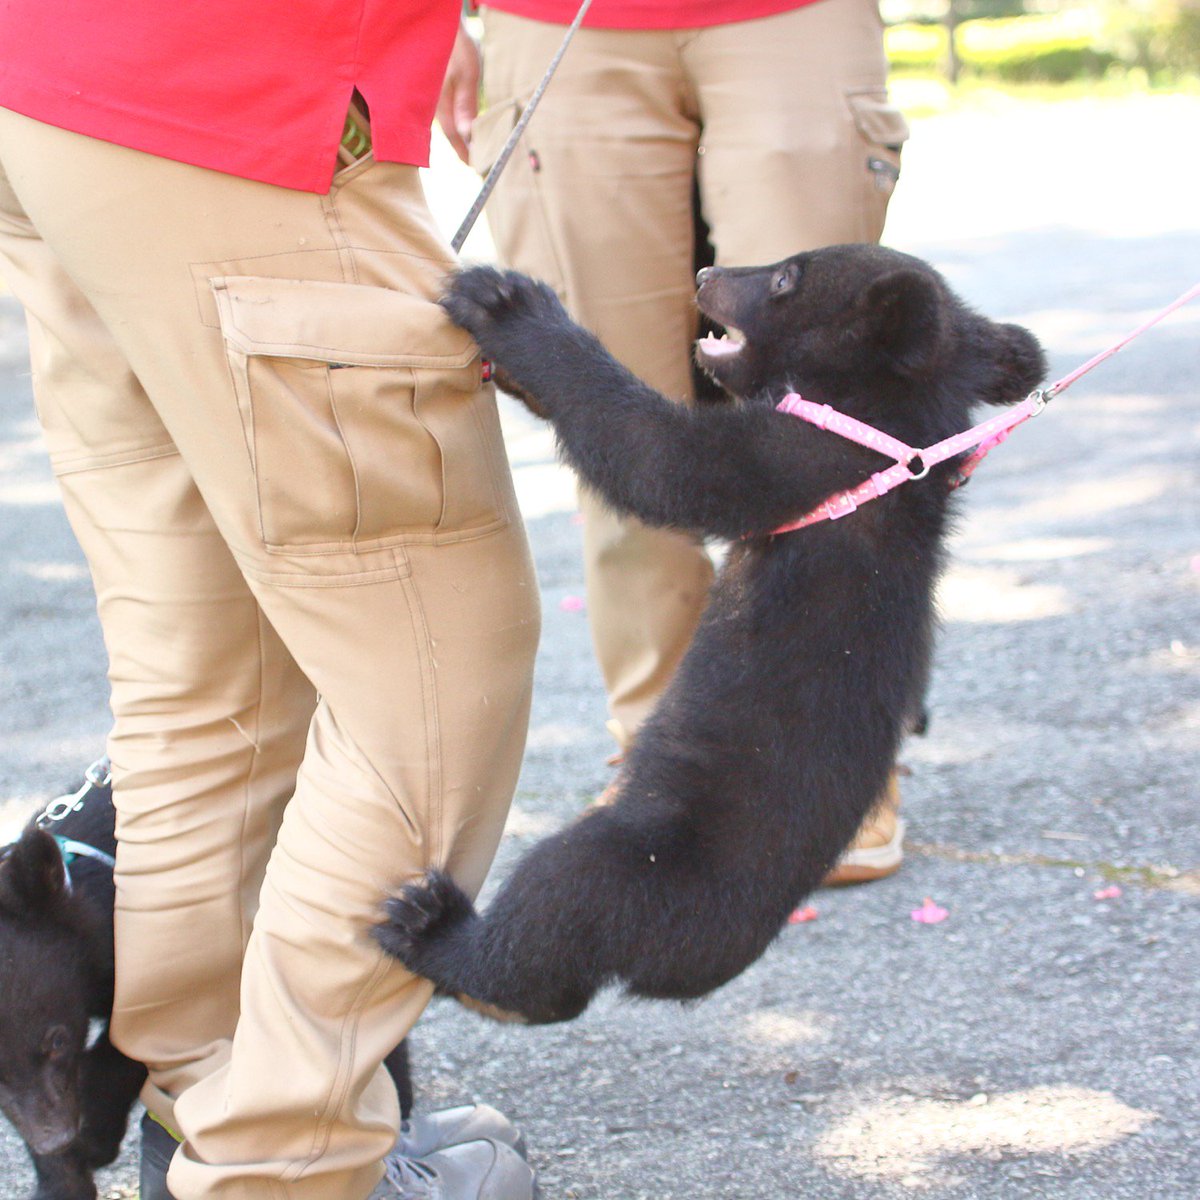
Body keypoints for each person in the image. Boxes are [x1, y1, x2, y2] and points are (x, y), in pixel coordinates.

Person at [0, 5, 541, 1198]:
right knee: (434, 680)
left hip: (55, 91)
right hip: (242, 95)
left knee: (206, 685)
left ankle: (206, 1108)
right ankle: (278, 1168)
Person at [440, 0, 912, 883]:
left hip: (791, 17)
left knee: (827, 419)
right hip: (556, 21)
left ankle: (835, 760)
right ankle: (664, 756)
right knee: (606, 404)